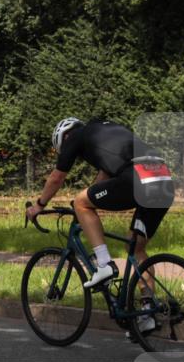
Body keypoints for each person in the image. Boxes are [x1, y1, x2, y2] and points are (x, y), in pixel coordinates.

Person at [26, 117, 175, 330]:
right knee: (136, 248)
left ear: (64, 138)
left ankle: (104, 265)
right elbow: (103, 177)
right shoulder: (105, 131)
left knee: (81, 202)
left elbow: (57, 178)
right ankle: (147, 311)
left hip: (137, 179)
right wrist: (87, 200)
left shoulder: (75, 137)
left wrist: (39, 206)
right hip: (162, 179)